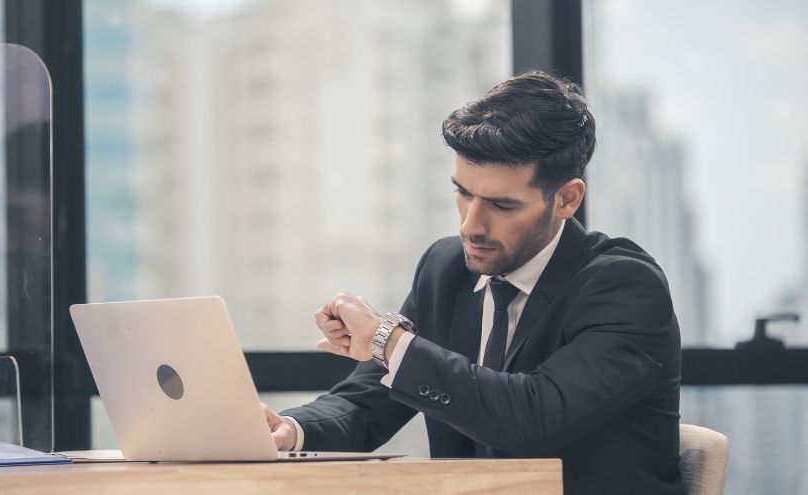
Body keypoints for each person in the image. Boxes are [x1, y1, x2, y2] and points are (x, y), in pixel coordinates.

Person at [261, 70, 685, 495]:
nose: (471, 225)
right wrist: (291, 430)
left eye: (501, 204)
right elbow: (366, 402)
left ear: (567, 199)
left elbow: (533, 419)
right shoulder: (445, 270)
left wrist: (387, 341)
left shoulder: (625, 287)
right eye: (463, 192)